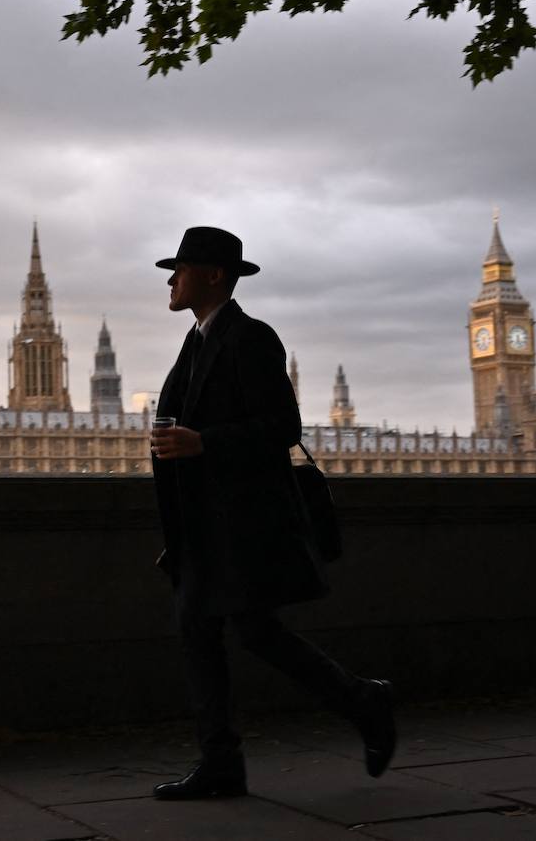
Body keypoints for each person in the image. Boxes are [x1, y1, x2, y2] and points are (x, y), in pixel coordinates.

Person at [147, 226, 396, 800]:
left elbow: (283, 427)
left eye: (180, 268)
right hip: (203, 526)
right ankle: (223, 761)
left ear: (213, 275)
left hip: (240, 523)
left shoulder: (251, 338)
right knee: (208, 632)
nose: (170, 278)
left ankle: (360, 699)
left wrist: (203, 441)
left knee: (247, 633)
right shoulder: (195, 342)